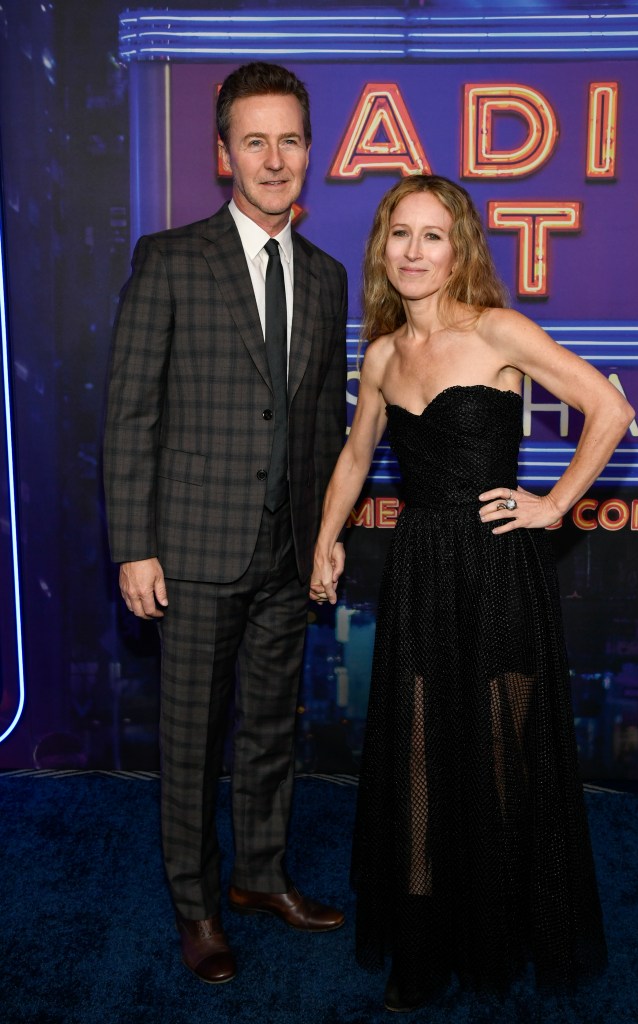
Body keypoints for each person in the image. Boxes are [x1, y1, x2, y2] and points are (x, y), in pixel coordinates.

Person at [310, 175, 634, 1011]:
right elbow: (353, 460)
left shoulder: (496, 329)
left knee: (498, 754)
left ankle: (494, 925)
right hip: (419, 571)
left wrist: (553, 504)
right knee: (419, 755)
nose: (414, 252)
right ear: (382, 247)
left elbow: (608, 406)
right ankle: (420, 947)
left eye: (432, 236)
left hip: (495, 569)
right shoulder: (380, 354)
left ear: (458, 250)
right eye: (400, 235)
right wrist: (325, 542)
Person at [103, 61, 348, 984]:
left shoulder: (325, 279)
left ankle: (258, 876)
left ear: (308, 150)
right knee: (191, 739)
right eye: (255, 140)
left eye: (289, 139)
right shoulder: (168, 260)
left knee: (269, 734)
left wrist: (325, 538)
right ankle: (197, 909)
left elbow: (324, 425)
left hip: (287, 553)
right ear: (223, 155)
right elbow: (129, 413)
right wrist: (134, 544)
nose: (274, 158)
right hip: (193, 549)